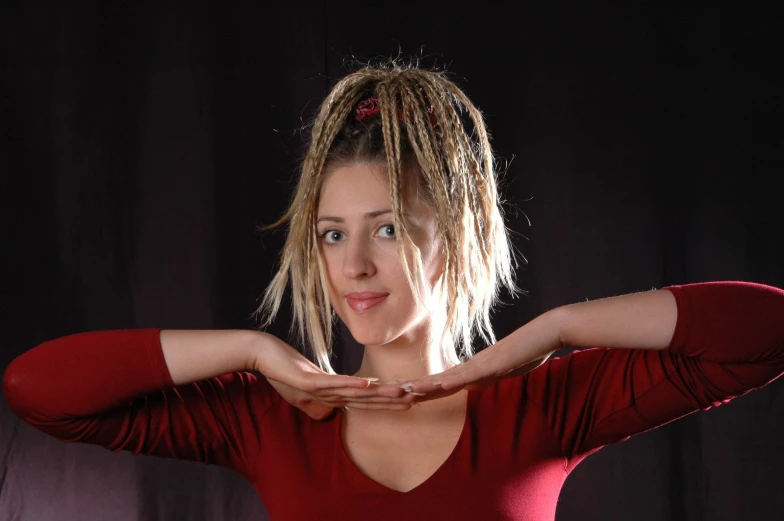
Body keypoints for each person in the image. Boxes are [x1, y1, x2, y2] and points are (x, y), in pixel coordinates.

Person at [3, 61, 784, 521]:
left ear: (451, 234)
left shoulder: (545, 406)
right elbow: (38, 388)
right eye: (332, 233)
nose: (353, 267)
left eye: (386, 229)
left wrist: (553, 330)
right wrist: (251, 347)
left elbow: (766, 329)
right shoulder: (270, 416)